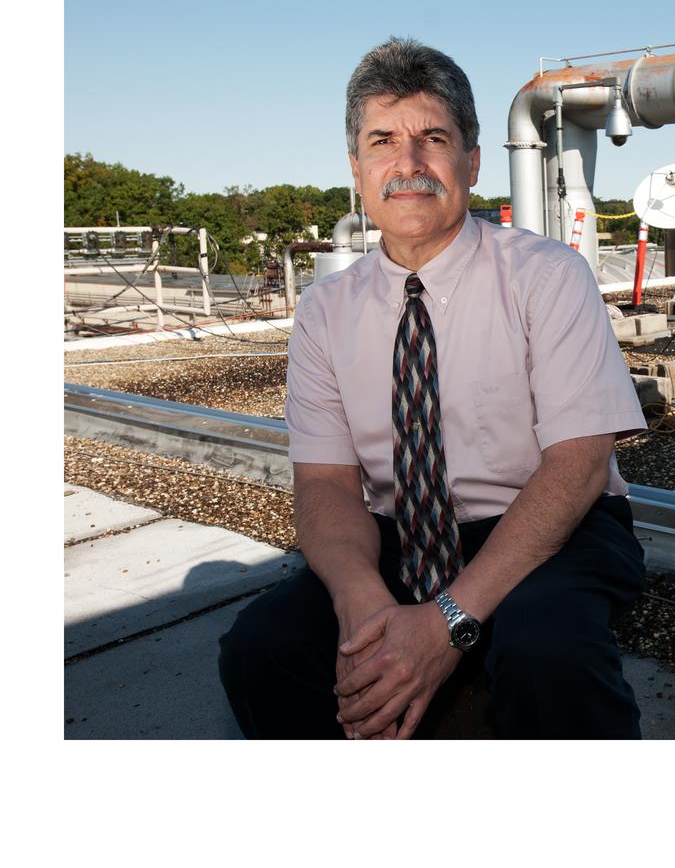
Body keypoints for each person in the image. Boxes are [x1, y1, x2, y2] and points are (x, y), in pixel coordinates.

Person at [218, 37, 649, 739]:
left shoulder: (547, 276)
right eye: (383, 140)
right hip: (401, 534)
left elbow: (577, 464)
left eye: (433, 137)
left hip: (550, 525)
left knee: (547, 651)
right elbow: (326, 483)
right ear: (356, 168)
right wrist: (364, 606)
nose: (409, 163)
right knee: (260, 649)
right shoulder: (325, 312)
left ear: (472, 162)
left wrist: (445, 622)